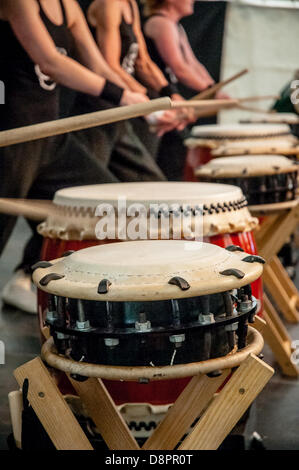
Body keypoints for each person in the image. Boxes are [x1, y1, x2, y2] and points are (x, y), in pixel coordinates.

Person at [0, 0, 149, 313]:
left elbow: (99, 66)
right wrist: (121, 95)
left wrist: (141, 103)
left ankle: (37, 279)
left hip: (50, 139)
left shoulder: (69, 6)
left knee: (110, 210)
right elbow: (50, 61)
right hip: (13, 140)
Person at [142, 0, 227, 180]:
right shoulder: (161, 23)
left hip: (167, 99)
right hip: (155, 99)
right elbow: (180, 69)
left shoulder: (175, 26)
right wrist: (212, 92)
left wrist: (215, 90)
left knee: (177, 150)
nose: (192, 1)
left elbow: (193, 64)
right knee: (167, 154)